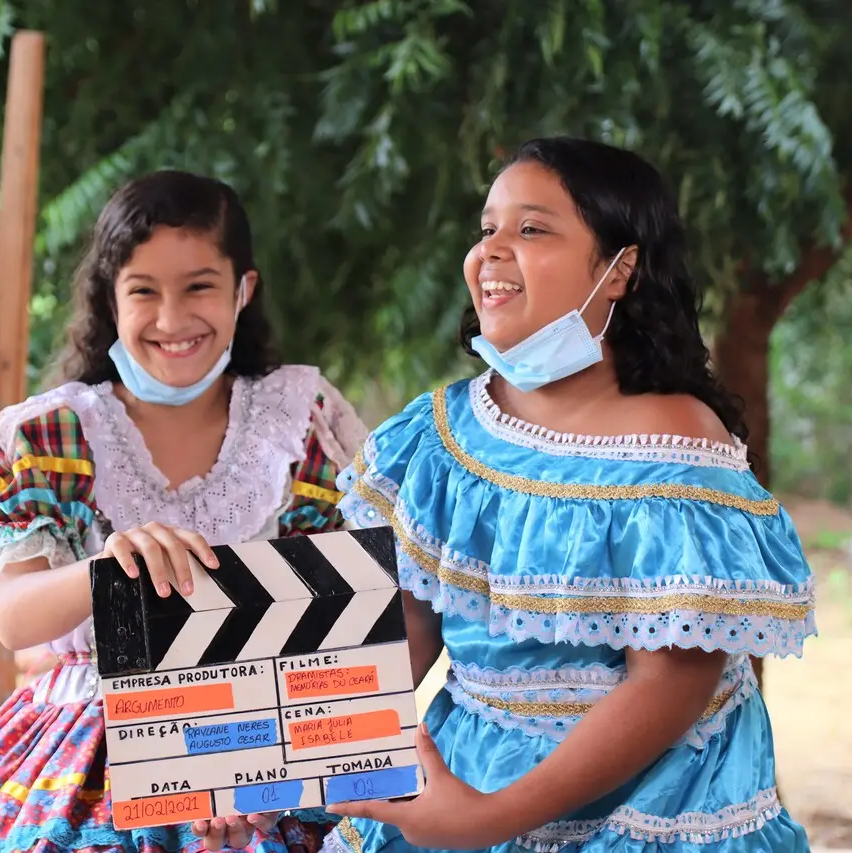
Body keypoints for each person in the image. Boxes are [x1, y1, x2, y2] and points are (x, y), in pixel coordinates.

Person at [322, 137, 816, 852]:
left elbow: (669, 688)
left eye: (531, 228)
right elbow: (404, 631)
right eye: (487, 227)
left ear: (620, 269)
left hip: (649, 808)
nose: (491, 250)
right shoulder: (441, 435)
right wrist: (274, 772)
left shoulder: (675, 444)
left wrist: (483, 820)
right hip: (460, 779)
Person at [0, 170, 366, 853]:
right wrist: (104, 568)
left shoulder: (304, 421)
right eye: (144, 291)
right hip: (83, 752)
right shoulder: (48, 437)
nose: (173, 319)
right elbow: (14, 616)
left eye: (200, 286)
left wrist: (263, 785)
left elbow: (342, 622)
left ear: (244, 289)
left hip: (269, 736)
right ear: (111, 299)